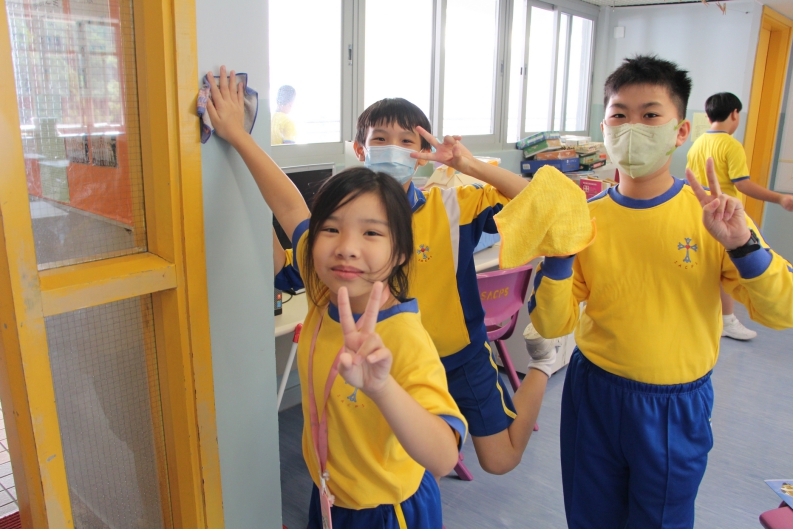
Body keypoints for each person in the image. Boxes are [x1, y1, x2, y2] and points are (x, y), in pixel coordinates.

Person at [528, 55, 793, 529]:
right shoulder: (585, 219)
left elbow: (782, 312)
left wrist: (742, 245)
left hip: (674, 405)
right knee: (590, 516)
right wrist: (558, 261)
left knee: (662, 520)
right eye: (619, 115)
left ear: (680, 131)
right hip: (594, 393)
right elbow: (551, 324)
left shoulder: (714, 217)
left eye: (650, 115)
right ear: (604, 127)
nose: (632, 128)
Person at [206, 68, 466, 528]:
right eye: (331, 228)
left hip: (388, 513)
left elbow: (444, 456)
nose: (346, 246)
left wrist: (381, 387)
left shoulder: (402, 337)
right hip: (329, 498)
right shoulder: (325, 285)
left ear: (399, 253)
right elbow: (290, 205)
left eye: (371, 233)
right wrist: (237, 135)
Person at [687, 92, 793, 341]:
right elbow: (742, 185)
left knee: (716, 269)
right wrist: (779, 198)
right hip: (726, 217)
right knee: (732, 267)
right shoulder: (731, 145)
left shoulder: (698, 142)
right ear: (735, 114)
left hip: (698, 215)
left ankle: (724, 318)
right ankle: (727, 320)